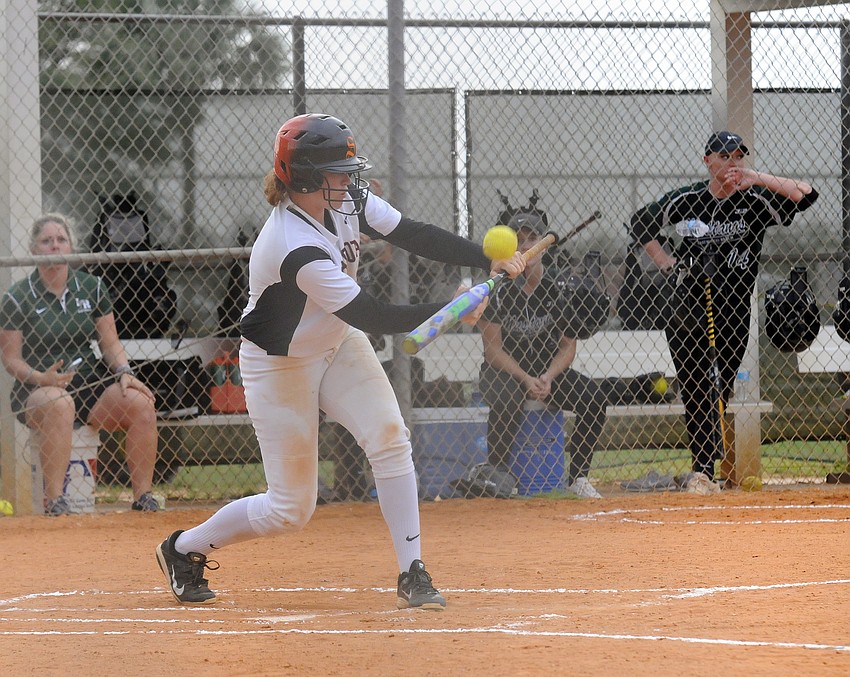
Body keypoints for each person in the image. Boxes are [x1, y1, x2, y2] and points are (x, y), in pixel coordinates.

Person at [154, 112, 524, 610]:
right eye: (337, 171)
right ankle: (183, 548)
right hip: (280, 365)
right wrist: (451, 308)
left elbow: (411, 233)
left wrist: (484, 259)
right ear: (305, 177)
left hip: (337, 342)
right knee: (290, 509)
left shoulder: (348, 199)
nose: (349, 181)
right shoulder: (293, 245)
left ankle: (412, 572)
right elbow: (371, 314)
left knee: (390, 437)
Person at [630, 130, 818, 481]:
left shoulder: (755, 199)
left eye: (738, 156)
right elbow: (641, 223)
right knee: (696, 386)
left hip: (734, 309)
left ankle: (712, 464)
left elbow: (805, 194)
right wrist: (666, 262)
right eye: (725, 156)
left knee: (721, 385)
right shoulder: (688, 199)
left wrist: (754, 177)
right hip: (689, 307)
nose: (733, 162)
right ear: (708, 161)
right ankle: (703, 469)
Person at [0, 213, 159, 515]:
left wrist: (124, 371)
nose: (55, 246)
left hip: (87, 381)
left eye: (61, 240)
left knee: (141, 404)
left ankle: (143, 497)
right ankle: (56, 501)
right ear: (33, 249)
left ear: (71, 246)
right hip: (35, 388)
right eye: (46, 241)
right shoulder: (17, 297)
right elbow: (11, 359)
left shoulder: (91, 287)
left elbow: (110, 344)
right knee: (59, 403)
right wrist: (41, 377)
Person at [477, 210, 608, 499]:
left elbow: (568, 345)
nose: (526, 246)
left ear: (543, 245)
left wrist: (548, 376)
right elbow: (492, 350)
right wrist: (525, 378)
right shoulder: (497, 286)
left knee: (594, 398)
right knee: (506, 395)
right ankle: (497, 474)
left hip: (546, 371)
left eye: (532, 238)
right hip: (505, 371)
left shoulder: (559, 287)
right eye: (519, 240)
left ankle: (578, 478)